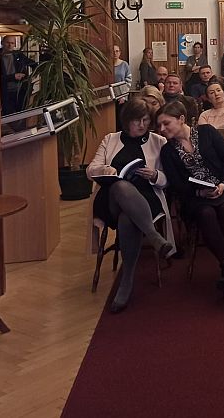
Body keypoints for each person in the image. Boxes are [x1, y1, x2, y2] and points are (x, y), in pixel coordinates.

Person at [86, 98, 175, 313]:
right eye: (137, 121)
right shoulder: (111, 139)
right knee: (121, 187)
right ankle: (153, 236)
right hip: (110, 199)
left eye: (145, 120)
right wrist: (106, 170)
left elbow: (167, 180)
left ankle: (126, 281)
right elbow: (91, 170)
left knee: (128, 217)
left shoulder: (158, 141)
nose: (142, 125)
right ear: (127, 121)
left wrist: (155, 175)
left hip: (146, 200)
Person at [156, 101, 224, 298]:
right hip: (195, 194)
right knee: (206, 213)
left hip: (223, 185)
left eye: (166, 123)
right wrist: (200, 193)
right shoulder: (168, 151)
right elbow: (176, 183)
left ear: (181, 119)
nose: (162, 129)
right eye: (159, 125)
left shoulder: (207, 132)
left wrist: (223, 183)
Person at [0, 35, 35, 115]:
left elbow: (33, 64)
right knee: (8, 116)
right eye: (8, 42)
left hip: (21, 91)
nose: (10, 45)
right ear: (2, 43)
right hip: (5, 92)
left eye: (12, 43)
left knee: (21, 114)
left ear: (15, 44)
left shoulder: (18, 55)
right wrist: (13, 77)